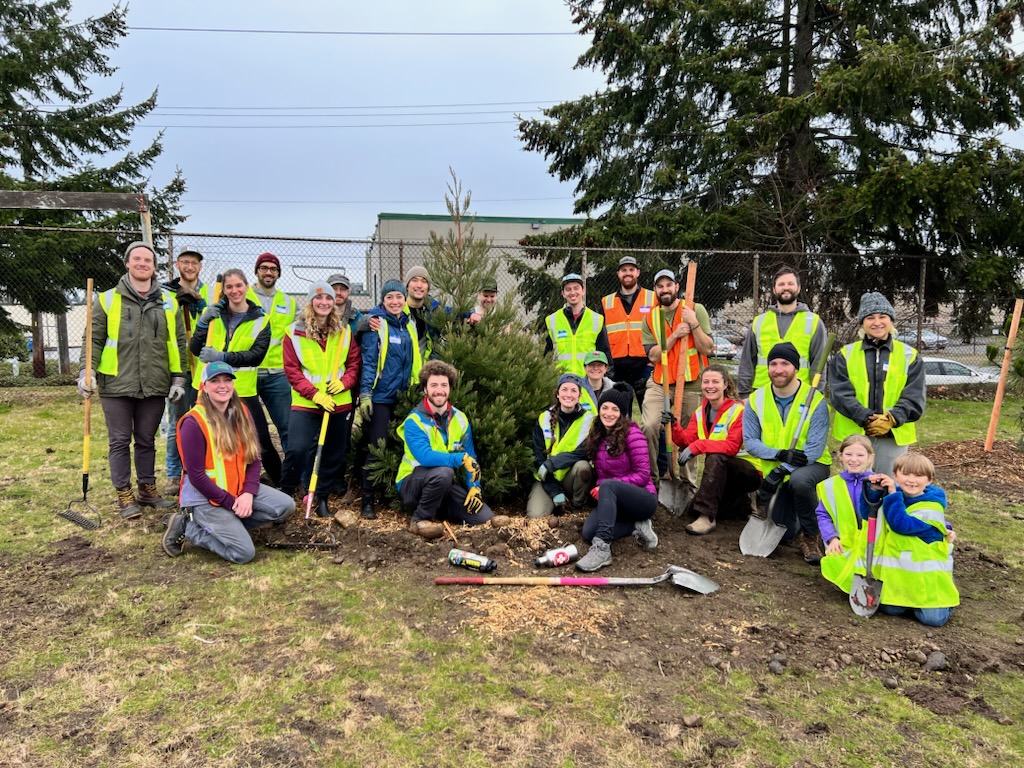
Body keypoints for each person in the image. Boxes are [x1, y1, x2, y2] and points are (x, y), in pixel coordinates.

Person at [78, 241, 186, 518]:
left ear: (153, 266)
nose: (142, 263)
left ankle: (147, 489)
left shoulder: (168, 302)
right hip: (116, 383)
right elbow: (93, 339)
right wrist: (87, 371)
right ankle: (124, 494)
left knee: (147, 439)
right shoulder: (107, 299)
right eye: (136, 259)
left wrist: (178, 379)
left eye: (147, 260)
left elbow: (177, 343)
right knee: (119, 440)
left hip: (154, 383)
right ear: (127, 263)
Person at [162, 362, 295, 563]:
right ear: (204, 386)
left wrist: (248, 494)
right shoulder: (193, 422)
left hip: (237, 489)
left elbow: (254, 457)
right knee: (243, 553)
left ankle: (228, 526)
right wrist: (232, 503)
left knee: (286, 506)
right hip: (205, 498)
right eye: (215, 381)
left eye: (227, 380)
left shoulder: (242, 411)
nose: (222, 385)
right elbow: (196, 476)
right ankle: (190, 528)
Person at [743, 341, 832, 564]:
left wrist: (785, 468)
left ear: (796, 368)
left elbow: (815, 447)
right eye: (773, 363)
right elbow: (750, 442)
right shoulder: (756, 400)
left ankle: (812, 536)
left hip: (812, 464)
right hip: (777, 465)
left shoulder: (815, 400)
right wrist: (780, 455)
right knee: (786, 533)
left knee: (799, 482)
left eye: (785, 363)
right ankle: (803, 516)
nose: (778, 369)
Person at [189, 268, 278, 485]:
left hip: (243, 390)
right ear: (224, 290)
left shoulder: (261, 319)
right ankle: (212, 482)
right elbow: (194, 348)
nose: (234, 290)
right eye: (229, 286)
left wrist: (222, 357)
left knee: (260, 439)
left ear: (247, 287)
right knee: (210, 438)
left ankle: (281, 481)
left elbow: (256, 356)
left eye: (238, 285)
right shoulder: (213, 315)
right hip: (208, 388)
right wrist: (202, 324)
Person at [279, 282, 361, 516]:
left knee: (333, 453)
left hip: (338, 401)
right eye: (318, 298)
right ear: (310, 302)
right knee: (298, 449)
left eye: (328, 298)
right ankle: (285, 494)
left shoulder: (343, 332)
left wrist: (344, 383)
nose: (324, 302)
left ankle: (321, 497)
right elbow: (292, 371)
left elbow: (354, 364)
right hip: (307, 403)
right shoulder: (294, 332)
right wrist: (315, 394)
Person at [397, 360, 504, 538]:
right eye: (434, 385)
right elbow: (425, 457)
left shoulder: (460, 418)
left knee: (484, 517)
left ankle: (439, 511)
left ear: (450, 388)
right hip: (412, 483)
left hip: (443, 484)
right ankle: (418, 520)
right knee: (445, 472)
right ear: (425, 389)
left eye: (444, 385)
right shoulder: (414, 421)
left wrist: (474, 487)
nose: (439, 390)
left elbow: (471, 456)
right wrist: (459, 459)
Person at [829, 291, 926, 476]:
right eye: (870, 317)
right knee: (855, 488)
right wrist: (866, 418)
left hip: (892, 436)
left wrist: (892, 419)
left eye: (883, 316)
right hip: (855, 435)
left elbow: (914, 396)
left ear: (891, 320)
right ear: (862, 323)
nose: (877, 322)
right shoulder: (845, 355)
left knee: (888, 487)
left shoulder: (910, 356)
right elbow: (839, 393)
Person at [865, 452, 958, 627]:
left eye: (919, 475)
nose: (911, 480)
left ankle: (945, 600)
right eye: (906, 474)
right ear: (895, 475)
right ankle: (908, 602)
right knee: (891, 610)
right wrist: (874, 493)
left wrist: (892, 494)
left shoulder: (931, 506)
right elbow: (869, 515)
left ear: (929, 480)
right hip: (901, 576)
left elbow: (902, 525)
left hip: (928, 580)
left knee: (933, 620)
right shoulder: (895, 495)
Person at [640, 269, 713, 490]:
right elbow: (652, 355)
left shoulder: (695, 309)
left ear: (677, 287)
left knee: (688, 434)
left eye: (668, 285)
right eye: (660, 286)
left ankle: (687, 486)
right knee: (650, 426)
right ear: (655, 290)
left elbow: (707, 348)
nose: (664, 289)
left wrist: (694, 325)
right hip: (660, 382)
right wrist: (674, 336)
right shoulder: (651, 317)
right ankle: (652, 481)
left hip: (691, 382)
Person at [667, 364, 761, 535]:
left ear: (725, 384)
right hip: (721, 474)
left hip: (749, 472)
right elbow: (687, 441)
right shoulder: (700, 412)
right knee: (692, 511)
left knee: (716, 456)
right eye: (706, 382)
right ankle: (744, 504)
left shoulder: (738, 411)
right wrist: (673, 425)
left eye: (715, 382)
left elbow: (731, 447)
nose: (710, 386)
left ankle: (707, 517)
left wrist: (698, 446)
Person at [576, 382, 659, 572]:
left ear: (622, 413)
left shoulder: (632, 433)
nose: (608, 413)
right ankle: (636, 527)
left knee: (608, 485)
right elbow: (579, 455)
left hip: (642, 499)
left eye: (614, 409)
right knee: (588, 532)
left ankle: (602, 548)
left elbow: (643, 474)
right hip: (615, 501)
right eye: (604, 408)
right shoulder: (598, 434)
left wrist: (606, 486)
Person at [357, 279, 422, 519]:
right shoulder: (376, 324)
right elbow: (369, 361)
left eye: (399, 297)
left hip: (404, 396)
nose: (395, 301)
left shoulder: (409, 326)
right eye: (390, 297)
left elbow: (415, 360)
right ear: (382, 301)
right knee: (377, 447)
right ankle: (367, 499)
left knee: (400, 447)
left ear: (405, 300)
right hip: (381, 397)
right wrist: (366, 393)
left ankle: (389, 494)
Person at [737, 266, 828, 399]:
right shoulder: (759, 322)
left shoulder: (813, 321)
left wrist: (816, 394)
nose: (786, 287)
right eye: (781, 284)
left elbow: (819, 363)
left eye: (790, 283)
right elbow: (746, 361)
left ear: (798, 288)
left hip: (800, 393)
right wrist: (744, 394)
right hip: (763, 393)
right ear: (774, 289)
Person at [161, 246, 209, 493]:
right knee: (177, 421)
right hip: (178, 365)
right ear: (177, 265)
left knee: (204, 420)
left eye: (195, 263)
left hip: (202, 366)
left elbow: (215, 319)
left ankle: (200, 468)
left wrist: (200, 304)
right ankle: (173, 472)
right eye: (185, 262)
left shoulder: (209, 292)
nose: (190, 267)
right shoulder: (165, 292)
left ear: (200, 267)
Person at [247, 252, 296, 456]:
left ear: (278, 273)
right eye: (264, 268)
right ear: (257, 271)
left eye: (273, 269)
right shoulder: (243, 295)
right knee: (252, 432)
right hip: (247, 372)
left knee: (287, 428)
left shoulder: (289, 302)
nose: (269, 272)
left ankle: (294, 479)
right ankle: (255, 478)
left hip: (278, 374)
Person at [817, 434, 879, 592]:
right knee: (836, 563)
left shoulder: (879, 484)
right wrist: (831, 538)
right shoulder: (830, 486)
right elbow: (823, 515)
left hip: (873, 545)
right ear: (841, 456)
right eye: (849, 454)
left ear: (870, 457)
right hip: (843, 543)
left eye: (860, 455)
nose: (854, 459)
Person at [528, 374, 595, 518]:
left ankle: (577, 508)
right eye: (564, 389)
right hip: (546, 479)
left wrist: (552, 463)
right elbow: (538, 457)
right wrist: (554, 490)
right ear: (557, 394)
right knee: (535, 516)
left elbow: (584, 452)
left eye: (573, 390)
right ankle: (559, 502)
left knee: (583, 467)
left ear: (580, 395)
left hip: (571, 478)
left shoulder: (589, 421)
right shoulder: (544, 418)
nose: (568, 394)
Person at [600, 256, 654, 391]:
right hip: (617, 365)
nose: (627, 273)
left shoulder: (652, 298)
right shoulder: (607, 302)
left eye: (631, 269)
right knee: (619, 409)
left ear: (638, 272)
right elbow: (600, 334)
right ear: (618, 274)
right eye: (624, 270)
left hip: (644, 364)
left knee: (648, 408)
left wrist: (653, 362)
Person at [544, 273, 612, 377]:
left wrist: (606, 379)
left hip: (589, 382)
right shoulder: (552, 320)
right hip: (562, 383)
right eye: (568, 289)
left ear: (583, 291)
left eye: (576, 288)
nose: (572, 292)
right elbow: (547, 355)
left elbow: (605, 353)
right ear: (563, 293)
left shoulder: (596, 319)